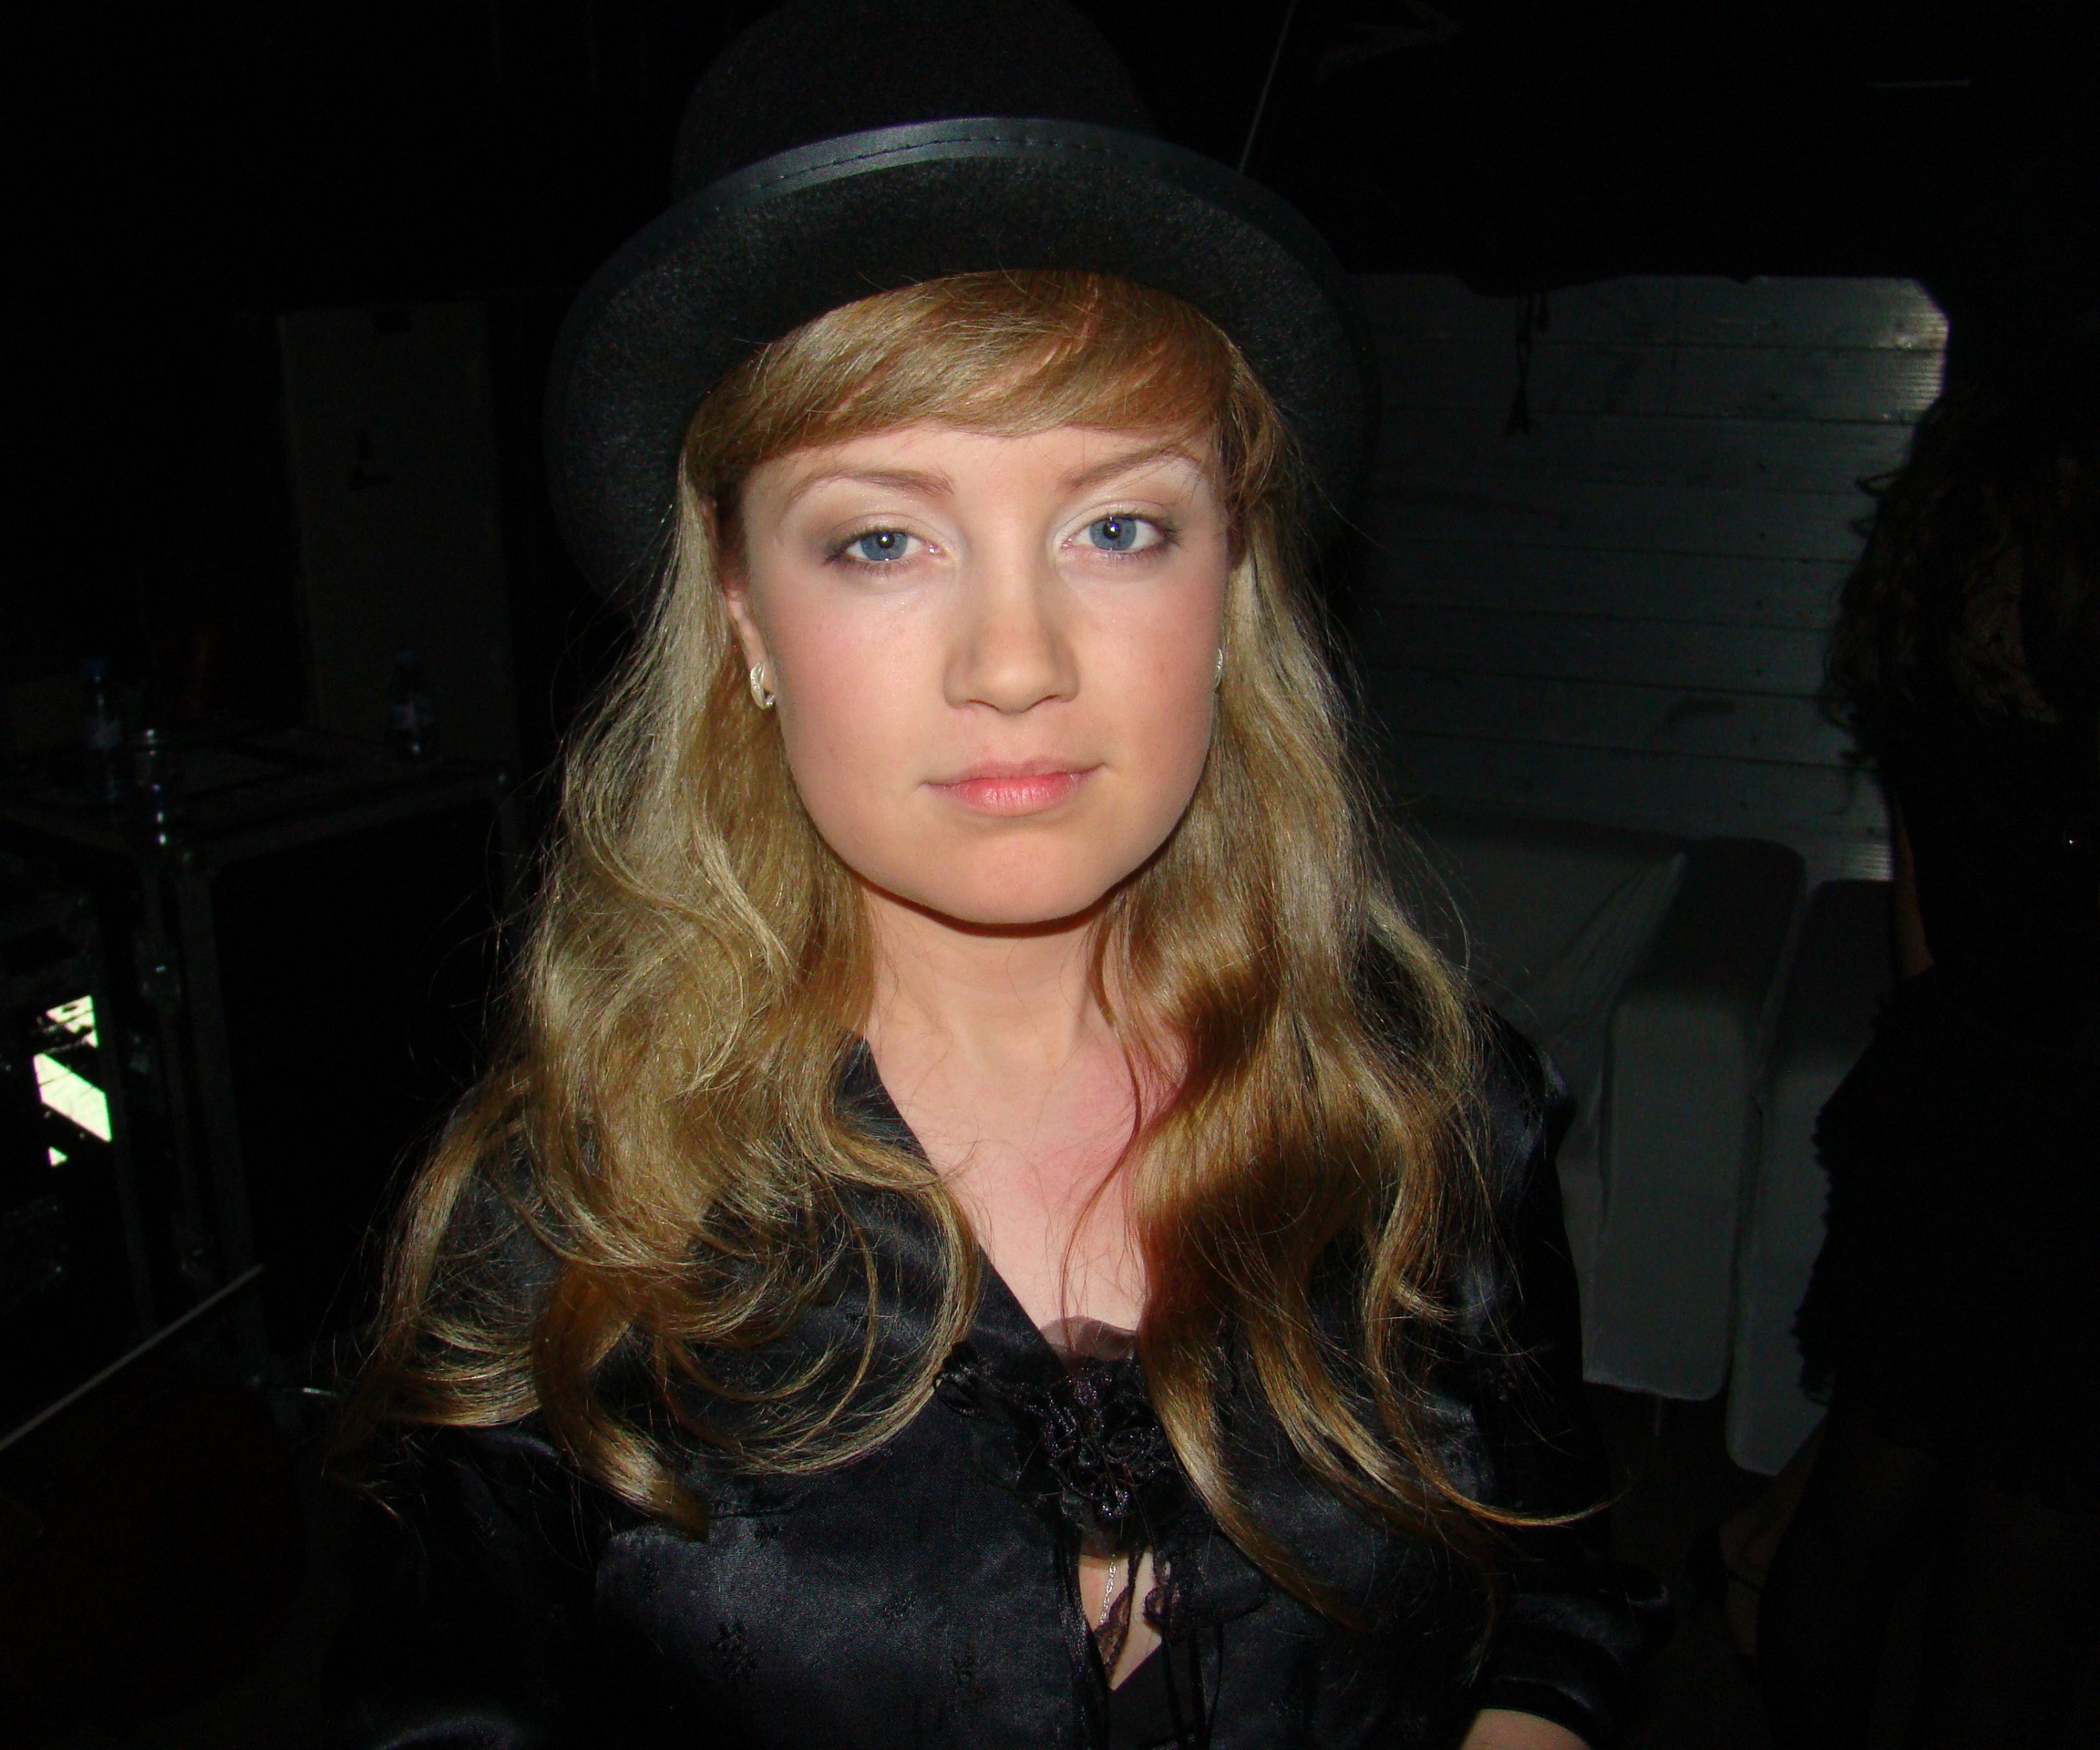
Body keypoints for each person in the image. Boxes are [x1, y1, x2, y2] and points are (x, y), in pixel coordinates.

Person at [324, 5, 1665, 1745]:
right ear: (742, 611)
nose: (1017, 661)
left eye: (1118, 526)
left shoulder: (1429, 1117)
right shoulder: (562, 1234)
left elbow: (1556, 1594)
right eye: (884, 538)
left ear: (1231, 576)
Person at [1755, 311, 2100, 1745]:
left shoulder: (1942, 591)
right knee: (2007, 1573)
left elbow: (1925, 911)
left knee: (1878, 1512)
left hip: (1962, 1088)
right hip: (2036, 1117)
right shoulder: (2045, 613)